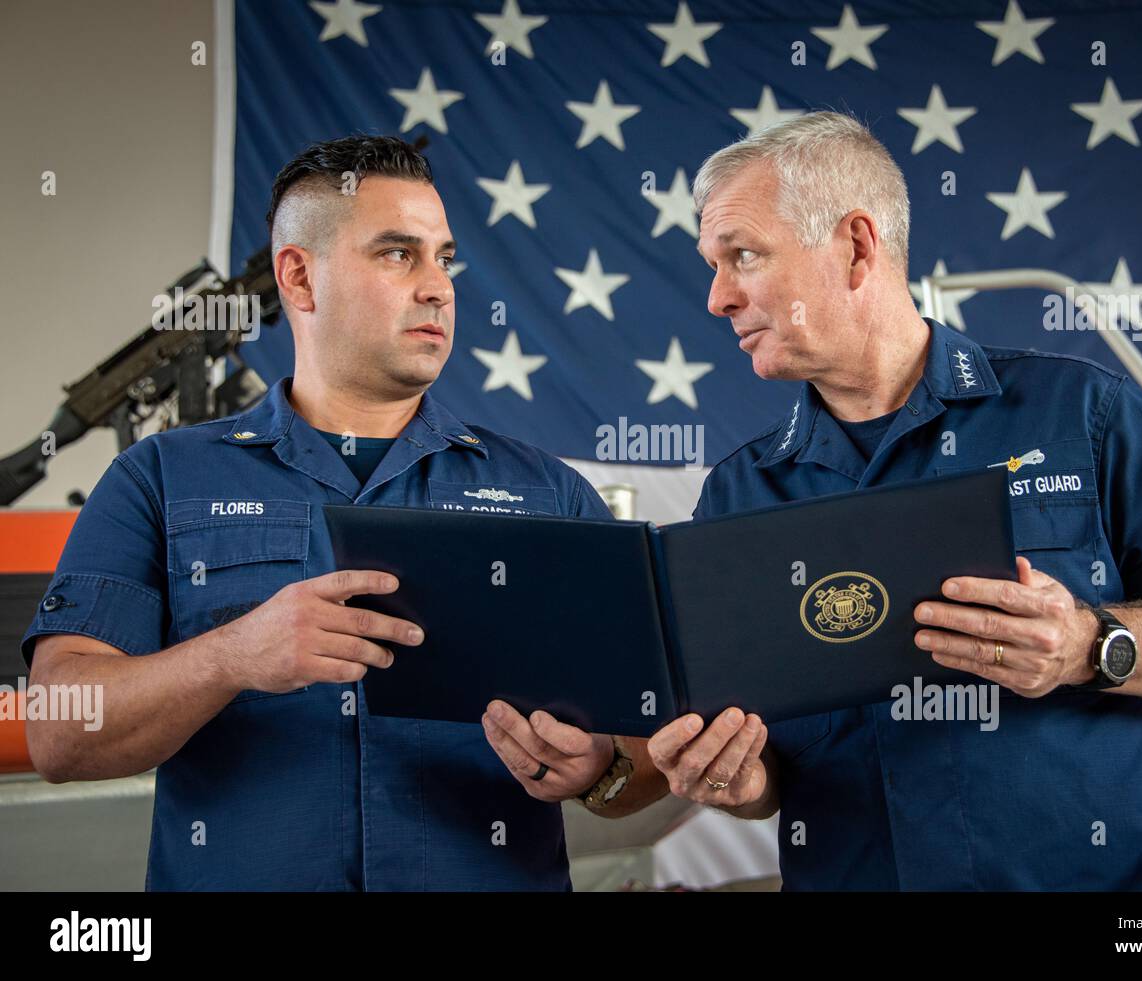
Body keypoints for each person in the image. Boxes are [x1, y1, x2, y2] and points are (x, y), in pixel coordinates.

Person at [647, 112, 1142, 889]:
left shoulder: (1082, 411)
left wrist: (1090, 643)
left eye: (742, 256)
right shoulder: (738, 493)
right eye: (713, 265)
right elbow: (771, 770)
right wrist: (743, 785)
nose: (717, 298)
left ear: (856, 246)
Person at [23, 135, 663, 890]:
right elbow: (59, 732)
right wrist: (233, 655)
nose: (439, 287)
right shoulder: (157, 479)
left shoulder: (548, 494)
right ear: (298, 276)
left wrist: (599, 768)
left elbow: (649, 742)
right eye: (398, 254)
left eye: (444, 258)